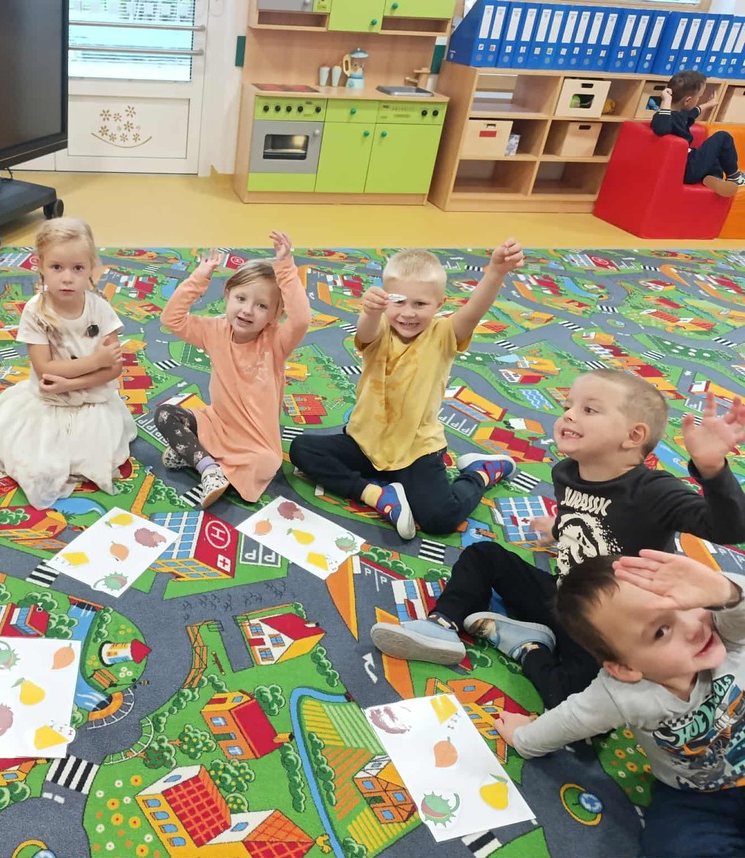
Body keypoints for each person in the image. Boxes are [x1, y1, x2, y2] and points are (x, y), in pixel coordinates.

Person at [371, 370, 745, 710]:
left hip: (610, 626)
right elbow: (590, 516)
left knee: (569, 698)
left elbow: (730, 529)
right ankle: (442, 625)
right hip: (563, 593)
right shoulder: (567, 471)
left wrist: (712, 470)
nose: (568, 415)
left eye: (589, 410)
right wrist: (559, 527)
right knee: (482, 554)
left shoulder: (654, 491)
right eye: (568, 406)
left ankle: (527, 646)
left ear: (633, 436)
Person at [496, 551, 745, 858]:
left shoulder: (728, 630)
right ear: (625, 668)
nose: (695, 626)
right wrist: (522, 737)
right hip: (696, 795)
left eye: (688, 603)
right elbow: (571, 718)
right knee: (673, 846)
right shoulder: (623, 695)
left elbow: (737, 603)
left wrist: (724, 592)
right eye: (661, 631)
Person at [289, 241, 522, 539]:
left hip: (416, 450)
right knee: (302, 449)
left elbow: (475, 310)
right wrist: (371, 311)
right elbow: (366, 332)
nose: (408, 313)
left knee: (440, 519)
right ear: (386, 300)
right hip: (365, 442)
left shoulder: (444, 334)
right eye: (398, 302)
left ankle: (480, 472)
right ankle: (377, 495)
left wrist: (496, 272)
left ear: (440, 305)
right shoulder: (380, 328)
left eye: (420, 304)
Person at [0, 217, 136, 509]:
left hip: (92, 401)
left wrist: (72, 383)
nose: (67, 278)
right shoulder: (35, 311)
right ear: (40, 266)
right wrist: (95, 361)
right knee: (40, 466)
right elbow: (45, 369)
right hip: (49, 401)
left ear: (91, 267)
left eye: (78, 268)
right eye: (57, 267)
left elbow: (114, 368)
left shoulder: (100, 309)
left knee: (90, 458)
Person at [155, 231, 311, 507]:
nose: (247, 310)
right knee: (165, 414)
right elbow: (172, 319)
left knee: (268, 463)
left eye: (261, 305)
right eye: (240, 298)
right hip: (216, 424)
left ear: (275, 315)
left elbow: (301, 320)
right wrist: (199, 278)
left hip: (254, 442)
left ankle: (194, 454)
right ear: (227, 296)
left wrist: (286, 267)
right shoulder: (214, 330)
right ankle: (209, 468)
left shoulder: (275, 342)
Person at [651, 69, 745, 197]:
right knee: (723, 137)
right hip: (685, 169)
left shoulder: (678, 115)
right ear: (688, 100)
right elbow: (661, 128)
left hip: (687, 166)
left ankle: (711, 179)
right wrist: (666, 101)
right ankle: (734, 176)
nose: (698, 99)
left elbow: (692, 113)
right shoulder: (663, 118)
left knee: (714, 158)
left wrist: (708, 104)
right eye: (698, 97)